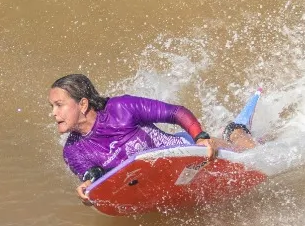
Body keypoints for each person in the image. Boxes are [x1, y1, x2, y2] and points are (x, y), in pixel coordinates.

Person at [48, 74, 256, 203]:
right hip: (159, 178)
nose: (54, 113)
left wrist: (200, 138)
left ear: (82, 104)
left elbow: (176, 113)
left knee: (249, 153)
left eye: (59, 105)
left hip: (188, 150)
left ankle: (236, 131)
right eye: (52, 107)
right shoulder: (72, 150)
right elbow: (92, 174)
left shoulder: (121, 108)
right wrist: (88, 187)